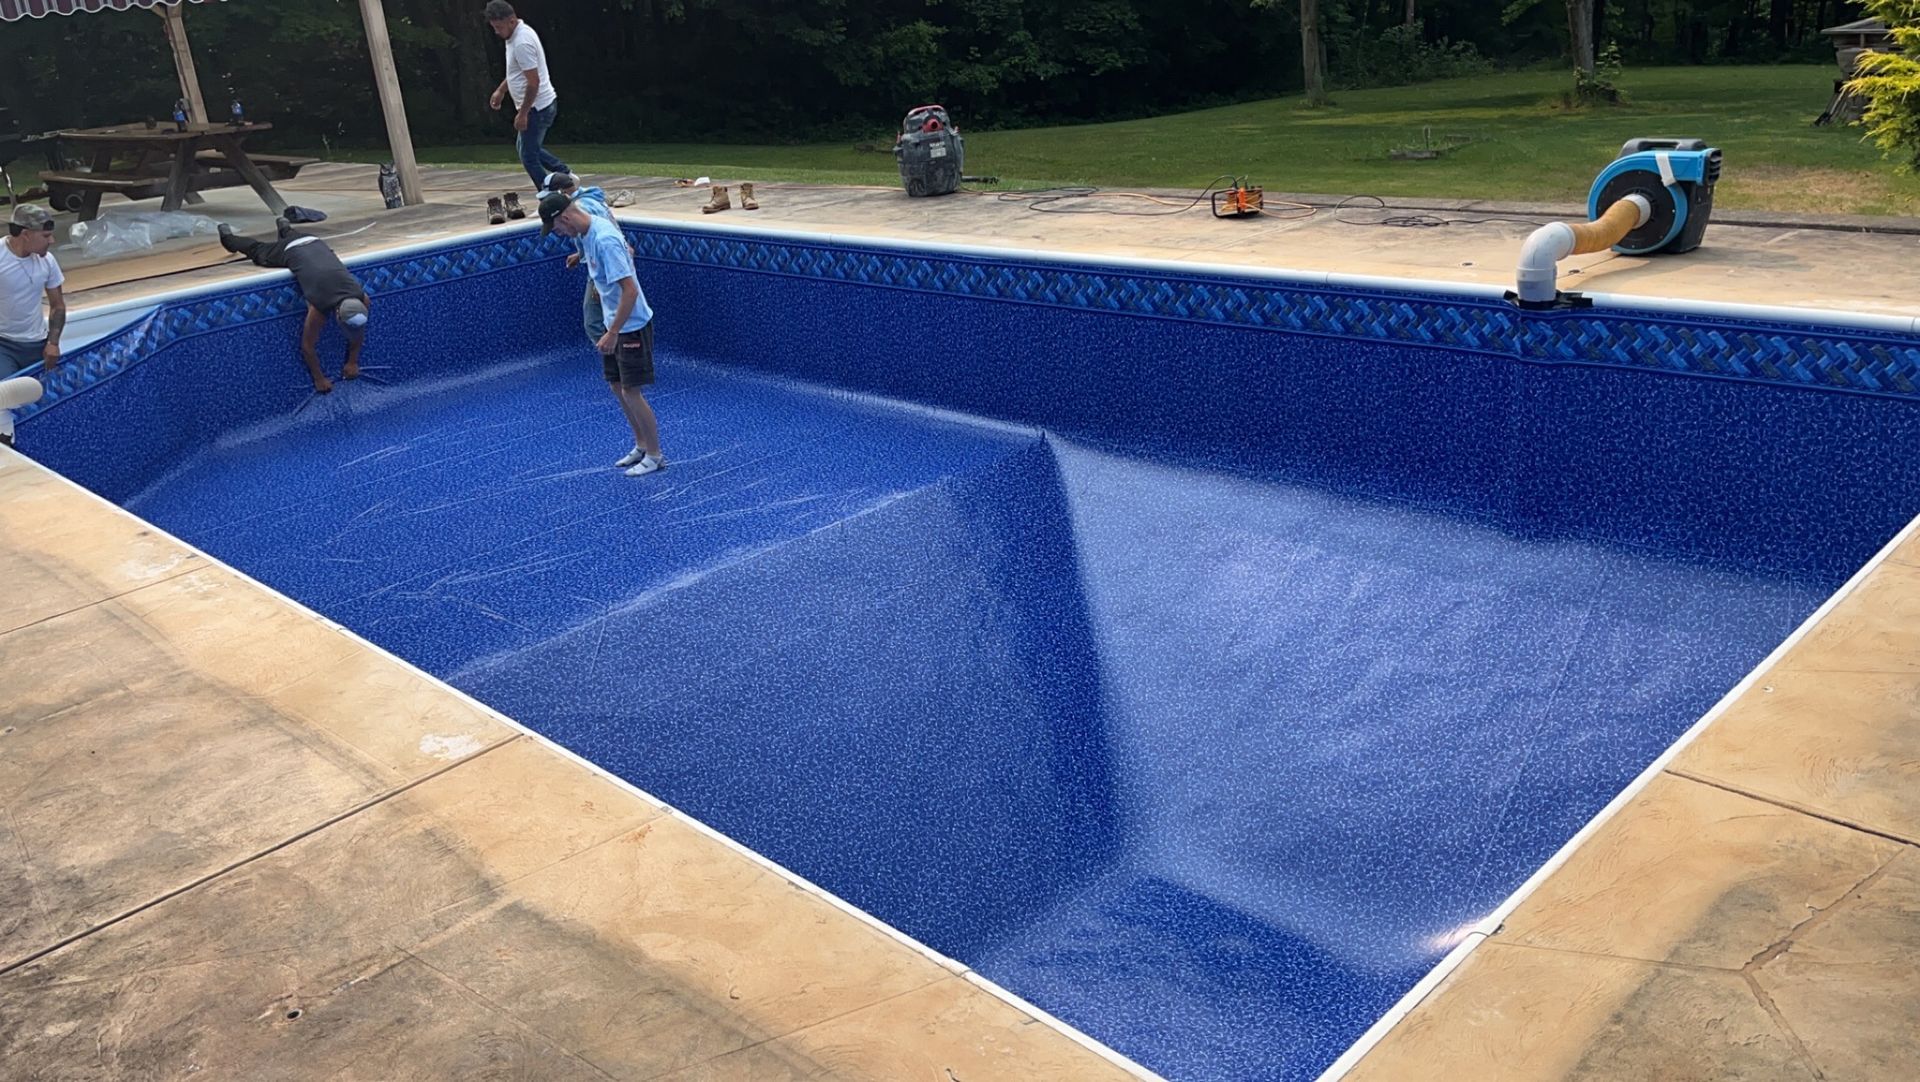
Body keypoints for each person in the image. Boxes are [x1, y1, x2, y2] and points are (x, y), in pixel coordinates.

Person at [540, 189, 665, 476]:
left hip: (630, 326)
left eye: (556, 226)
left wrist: (614, 332)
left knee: (632, 390)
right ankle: (642, 444)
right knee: (616, 385)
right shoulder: (584, 234)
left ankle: (656, 455)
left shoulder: (604, 239)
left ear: (566, 216)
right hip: (614, 324)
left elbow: (630, 290)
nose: (557, 232)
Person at [219, 218, 370, 394]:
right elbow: (307, 346)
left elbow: (359, 331)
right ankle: (228, 238)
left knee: (295, 238)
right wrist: (319, 378)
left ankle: (285, 227)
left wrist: (353, 361)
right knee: (257, 251)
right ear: (337, 314)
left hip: (313, 241)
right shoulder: (319, 307)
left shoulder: (363, 299)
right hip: (291, 249)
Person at [485, 1, 569, 191]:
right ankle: (566, 175)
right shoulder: (514, 37)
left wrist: (523, 114)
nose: (497, 32)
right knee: (529, 149)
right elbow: (516, 72)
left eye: (499, 27)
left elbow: (533, 82)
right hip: (536, 106)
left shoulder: (522, 42)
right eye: (494, 28)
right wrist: (501, 90)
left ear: (511, 21)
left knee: (528, 157)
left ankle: (549, 195)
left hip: (537, 108)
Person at [543, 172, 617, 346]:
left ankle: (616, 361)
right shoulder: (590, 199)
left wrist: (600, 283)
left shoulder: (583, 207)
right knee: (609, 318)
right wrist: (580, 254)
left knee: (593, 324)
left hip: (604, 271)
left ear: (562, 193)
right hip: (605, 266)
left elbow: (604, 244)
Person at [1, 204, 65, 378]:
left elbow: (57, 305)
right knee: (9, 393)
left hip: (37, 343)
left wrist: (53, 342)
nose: (51, 241)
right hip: (3, 343)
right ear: (26, 235)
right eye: (45, 236)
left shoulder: (48, 261)